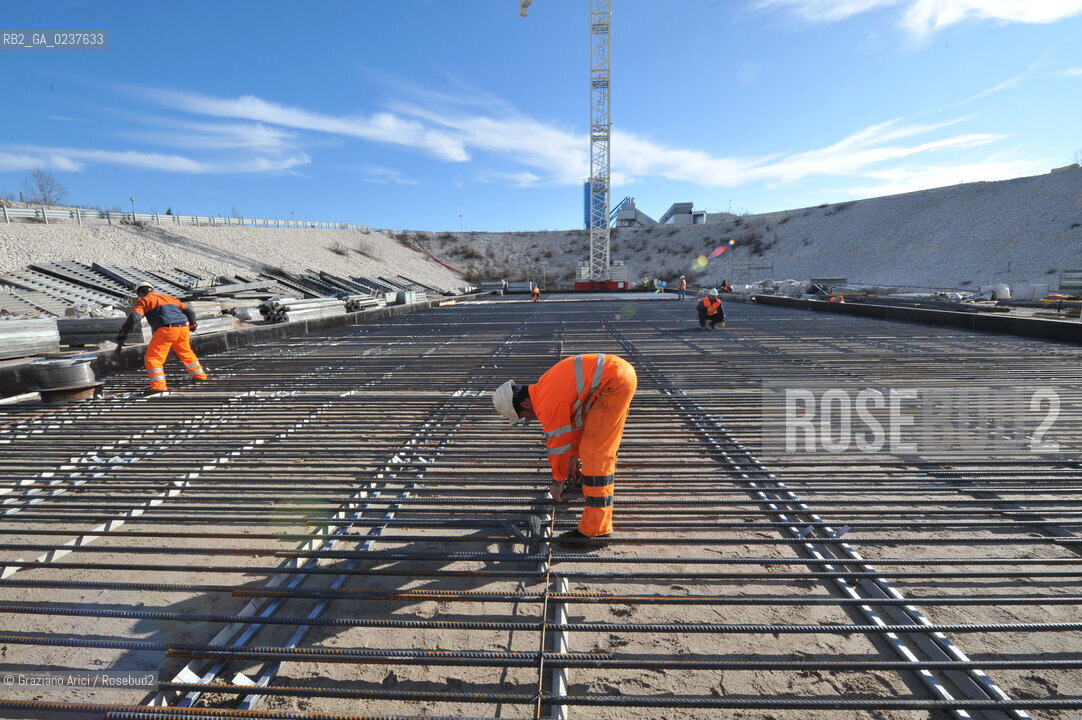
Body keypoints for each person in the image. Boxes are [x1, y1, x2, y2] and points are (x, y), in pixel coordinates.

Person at [492, 353, 637, 539]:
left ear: (525, 403)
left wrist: (558, 483)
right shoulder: (544, 387)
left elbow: (558, 448)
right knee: (593, 446)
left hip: (612, 383)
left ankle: (596, 528)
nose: (528, 419)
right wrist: (574, 459)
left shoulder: (546, 404)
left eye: (523, 416)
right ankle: (595, 491)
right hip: (618, 375)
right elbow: (577, 424)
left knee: (594, 452)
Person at [114, 281, 207, 393]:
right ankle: (200, 377)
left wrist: (124, 331)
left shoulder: (143, 301)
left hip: (166, 330)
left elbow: (135, 318)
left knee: (153, 359)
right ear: (152, 289)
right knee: (186, 353)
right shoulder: (169, 298)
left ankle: (158, 387)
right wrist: (193, 324)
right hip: (183, 328)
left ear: (140, 293)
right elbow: (190, 311)